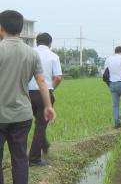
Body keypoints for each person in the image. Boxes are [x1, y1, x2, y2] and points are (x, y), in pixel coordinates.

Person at [0, 10, 56, 184]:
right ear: (21, 29)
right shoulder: (32, 53)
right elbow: (42, 82)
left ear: (1, 28)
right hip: (22, 115)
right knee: (20, 158)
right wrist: (48, 106)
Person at [28, 33, 62, 167]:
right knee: (41, 125)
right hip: (44, 93)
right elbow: (58, 77)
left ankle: (45, 145)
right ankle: (34, 158)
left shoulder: (29, 53)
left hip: (26, 93)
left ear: (37, 42)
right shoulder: (53, 56)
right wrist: (50, 89)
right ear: (50, 43)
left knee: (34, 122)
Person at [104, 46, 121, 129]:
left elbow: (105, 71)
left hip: (112, 84)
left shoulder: (108, 59)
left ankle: (117, 123)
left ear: (115, 51)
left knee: (115, 105)